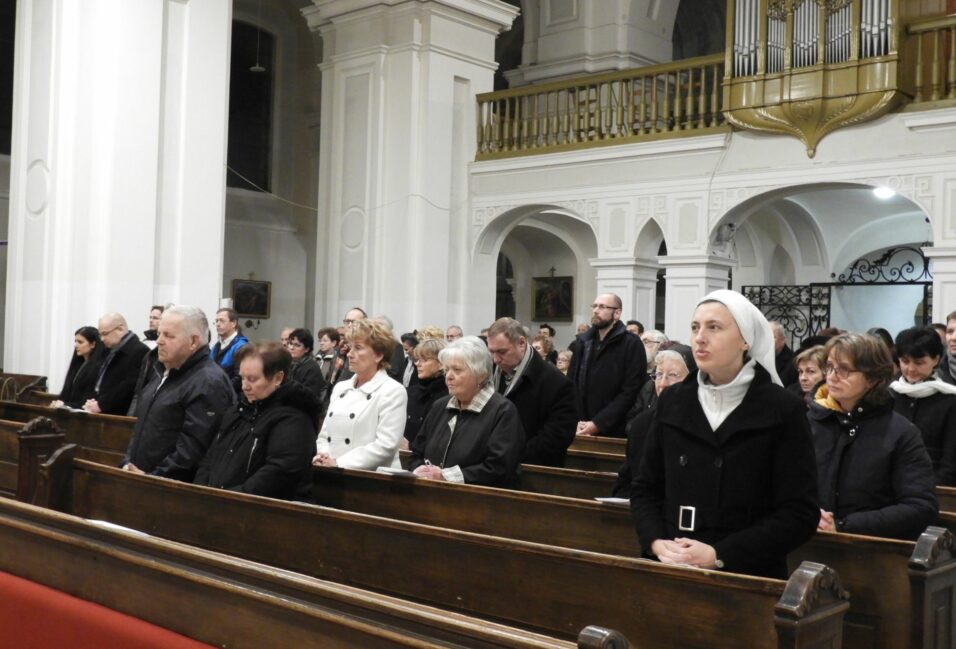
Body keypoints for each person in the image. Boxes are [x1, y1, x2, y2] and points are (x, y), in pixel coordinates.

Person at [631, 289, 819, 578]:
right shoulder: (673, 401)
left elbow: (800, 512)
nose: (699, 337)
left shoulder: (782, 408)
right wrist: (656, 542)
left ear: (745, 339)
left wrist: (721, 554)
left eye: (714, 327)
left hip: (745, 574)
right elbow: (646, 487)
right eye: (695, 327)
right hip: (671, 566)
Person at [809, 332, 938, 540]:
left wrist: (844, 525)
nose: (832, 376)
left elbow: (920, 507)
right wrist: (807, 514)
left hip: (868, 551)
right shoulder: (809, 422)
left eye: (844, 370)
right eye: (830, 366)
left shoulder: (901, 433)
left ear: (873, 378)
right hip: (806, 538)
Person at [122, 306, 236, 480]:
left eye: (168, 335)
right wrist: (128, 462)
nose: (159, 341)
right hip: (143, 478)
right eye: (160, 333)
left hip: (171, 489)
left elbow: (193, 448)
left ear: (193, 342)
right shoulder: (162, 371)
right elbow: (141, 428)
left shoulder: (208, 382)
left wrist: (154, 477)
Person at [194, 342, 318, 501]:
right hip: (221, 505)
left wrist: (232, 498)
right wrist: (201, 491)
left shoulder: (294, 418)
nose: (244, 386)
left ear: (278, 378)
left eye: (252, 379)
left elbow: (280, 471)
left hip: (265, 512)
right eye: (242, 378)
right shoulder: (237, 410)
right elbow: (211, 457)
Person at [409, 337, 524, 487]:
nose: (448, 376)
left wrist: (445, 476)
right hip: (430, 495)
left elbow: (499, 467)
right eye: (446, 370)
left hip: (479, 502)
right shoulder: (440, 406)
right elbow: (417, 452)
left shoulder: (502, 411)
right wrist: (420, 470)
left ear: (480, 375)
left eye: (457, 370)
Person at [312, 320, 407, 470]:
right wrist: (323, 456)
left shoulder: (392, 390)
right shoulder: (341, 388)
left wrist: (339, 463)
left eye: (358, 348)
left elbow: (386, 445)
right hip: (330, 472)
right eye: (350, 347)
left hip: (372, 479)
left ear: (378, 355)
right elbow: (324, 436)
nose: (350, 354)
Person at [487, 318, 577, 467]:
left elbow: (557, 437)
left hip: (532, 470)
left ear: (521, 343)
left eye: (502, 352)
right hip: (493, 465)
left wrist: (512, 457)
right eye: (491, 352)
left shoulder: (557, 383)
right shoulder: (490, 373)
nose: (496, 359)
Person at [612, 346, 694, 498]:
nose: (662, 384)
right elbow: (627, 478)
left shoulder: (702, 425)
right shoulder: (641, 423)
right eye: (659, 374)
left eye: (673, 375)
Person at [568, 293, 648, 437]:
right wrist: (577, 420)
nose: (595, 310)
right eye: (594, 306)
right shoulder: (583, 342)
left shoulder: (631, 344)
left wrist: (598, 423)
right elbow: (572, 382)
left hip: (614, 428)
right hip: (580, 426)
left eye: (602, 307)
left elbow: (631, 390)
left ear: (617, 313)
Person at [890, 326, 956, 486]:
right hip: (887, 485)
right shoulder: (888, 395)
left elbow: (950, 460)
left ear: (936, 359)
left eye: (919, 362)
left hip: (930, 487)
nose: (911, 369)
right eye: (905, 361)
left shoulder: (950, 400)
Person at [84, 312, 149, 415]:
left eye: (105, 334)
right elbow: (100, 380)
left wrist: (101, 404)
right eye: (100, 335)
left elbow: (129, 386)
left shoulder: (139, 350)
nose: (102, 339)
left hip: (120, 415)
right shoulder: (110, 349)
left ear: (120, 329)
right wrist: (93, 400)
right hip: (103, 410)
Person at [403, 338, 448, 445]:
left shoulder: (448, 395)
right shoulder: (412, 392)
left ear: (441, 363)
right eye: (417, 359)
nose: (418, 364)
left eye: (424, 360)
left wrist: (412, 446)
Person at [51, 327, 106, 409]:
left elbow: (87, 401)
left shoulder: (97, 367)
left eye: (80, 342)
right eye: (75, 341)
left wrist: (65, 405)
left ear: (93, 344)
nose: (76, 345)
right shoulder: (79, 364)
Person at [210, 307, 249, 390]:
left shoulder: (241, 346)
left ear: (233, 323)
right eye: (216, 321)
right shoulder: (215, 347)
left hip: (231, 395)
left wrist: (220, 390)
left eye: (222, 321)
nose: (218, 324)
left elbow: (239, 377)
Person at [286, 328, 325, 402]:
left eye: (297, 345)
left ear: (307, 349)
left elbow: (309, 397)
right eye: (290, 343)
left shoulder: (312, 368)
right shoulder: (289, 363)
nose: (291, 348)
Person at [771, 321, 798, 387]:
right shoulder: (757, 359)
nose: (768, 341)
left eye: (772, 337)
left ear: (782, 340)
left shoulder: (793, 363)